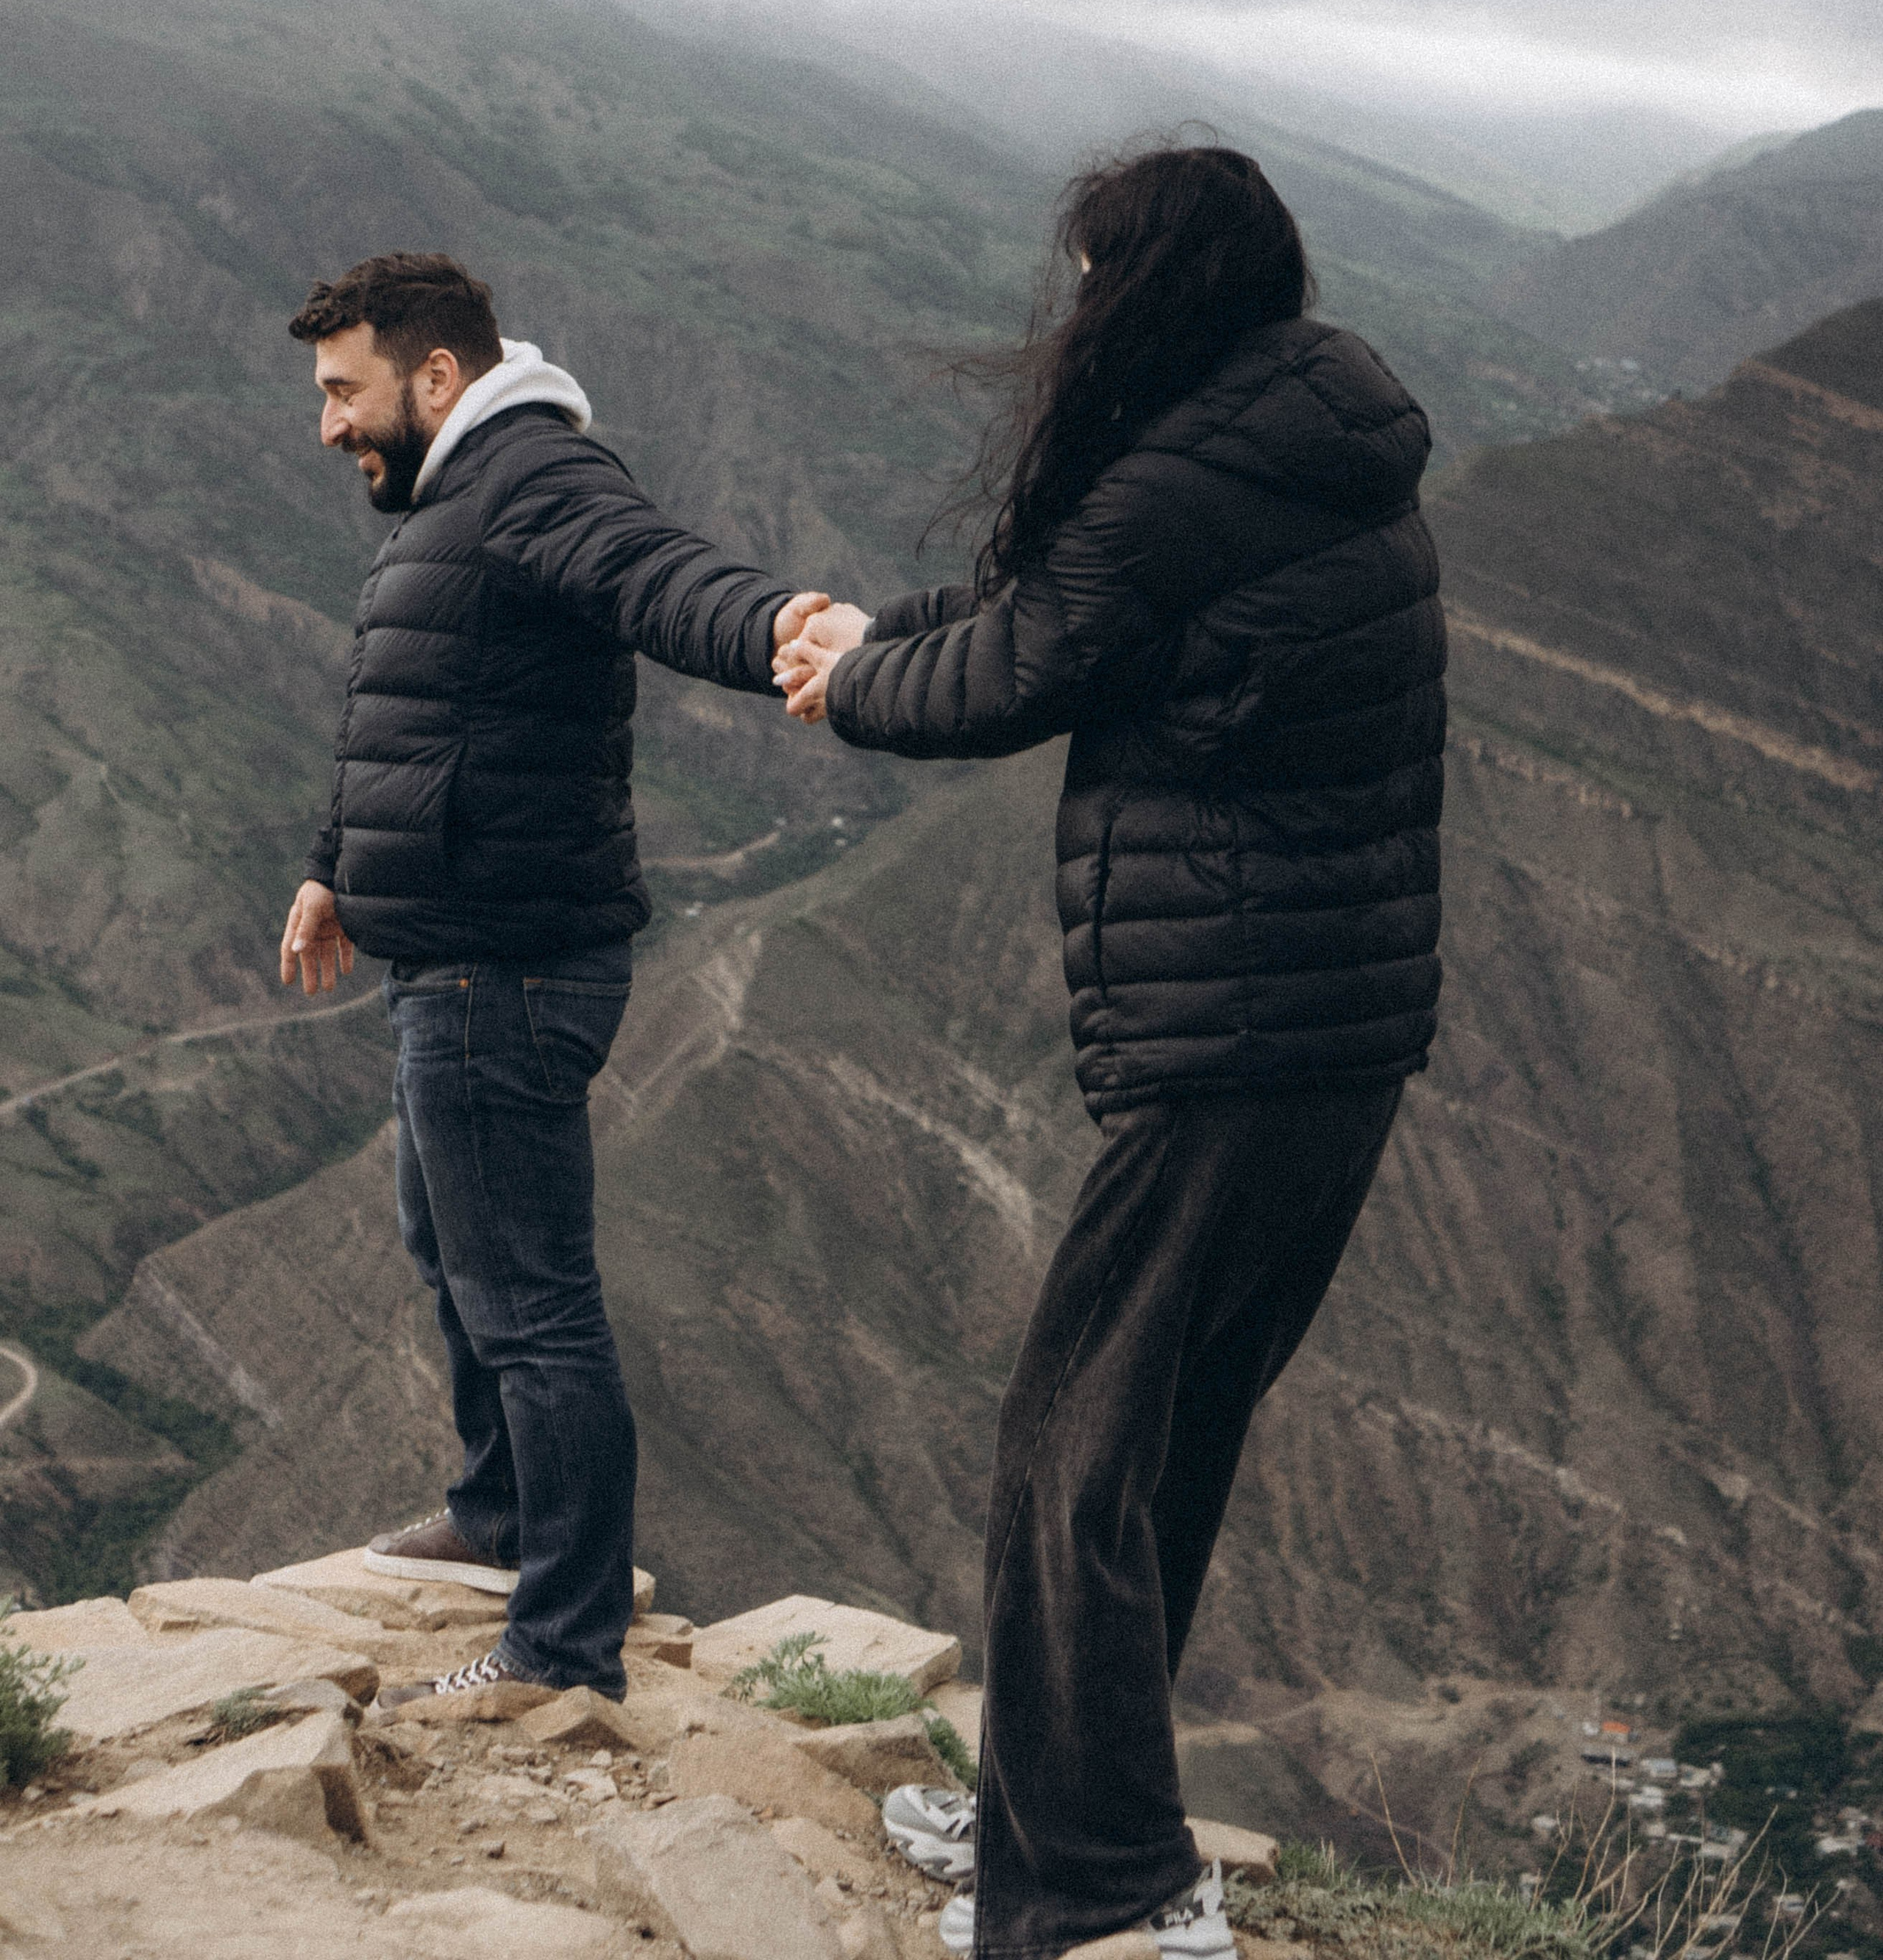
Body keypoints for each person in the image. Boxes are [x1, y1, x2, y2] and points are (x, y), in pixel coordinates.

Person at [775, 146, 1445, 1960]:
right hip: (1336, 1031)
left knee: (1069, 1451)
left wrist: (847, 684)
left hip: (1228, 1035)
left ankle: (1104, 1888)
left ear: (1144, 290)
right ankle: (1048, 1822)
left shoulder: (1177, 482)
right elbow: (1046, 601)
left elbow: (1013, 674)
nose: (1071, 314)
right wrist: (872, 625)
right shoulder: (1301, 438)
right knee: (1161, 1437)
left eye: (1089, 278)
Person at [279, 251, 827, 1706]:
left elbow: (659, 578)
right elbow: (411, 700)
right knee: (443, 1242)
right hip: (454, 951)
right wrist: (338, 862)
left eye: (345, 391)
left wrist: (780, 626)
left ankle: (561, 1647)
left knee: (529, 1301)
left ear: (437, 376)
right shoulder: (454, 492)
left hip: (503, 971)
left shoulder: (527, 478)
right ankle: (498, 1509)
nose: (327, 424)